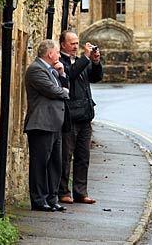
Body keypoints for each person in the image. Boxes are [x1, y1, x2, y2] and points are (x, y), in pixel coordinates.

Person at [24, 40, 70, 212]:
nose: (59, 56)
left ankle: (52, 199)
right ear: (50, 54)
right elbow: (54, 91)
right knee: (40, 164)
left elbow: (63, 90)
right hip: (41, 124)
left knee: (55, 164)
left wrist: (62, 75)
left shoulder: (52, 71)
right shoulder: (36, 69)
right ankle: (39, 200)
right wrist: (63, 91)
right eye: (57, 52)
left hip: (55, 123)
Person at [58, 31, 103, 204]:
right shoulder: (60, 62)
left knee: (83, 157)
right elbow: (70, 75)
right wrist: (85, 57)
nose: (76, 46)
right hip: (69, 116)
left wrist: (96, 61)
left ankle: (80, 191)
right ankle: (63, 192)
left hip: (84, 115)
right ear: (63, 45)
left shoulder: (80, 61)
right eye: (72, 43)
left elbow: (96, 77)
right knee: (65, 156)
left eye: (77, 43)